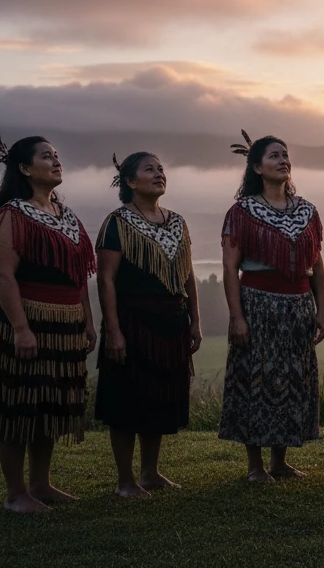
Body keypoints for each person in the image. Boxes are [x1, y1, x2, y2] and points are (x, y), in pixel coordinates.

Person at [0, 131, 96, 514]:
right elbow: (3, 274)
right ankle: (16, 494)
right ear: (25, 168)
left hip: (65, 325)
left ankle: (41, 484)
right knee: (19, 402)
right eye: (46, 156)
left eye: (57, 154)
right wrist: (21, 328)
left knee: (49, 402)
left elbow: (79, 274)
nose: (56, 160)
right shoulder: (12, 214)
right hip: (28, 319)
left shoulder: (66, 216)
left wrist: (87, 320)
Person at [218, 132, 324, 481]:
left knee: (291, 381)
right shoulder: (242, 212)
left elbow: (317, 264)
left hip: (298, 307)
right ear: (256, 167)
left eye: (285, 155)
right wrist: (237, 317)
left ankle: (280, 462)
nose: (283, 160)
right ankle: (255, 466)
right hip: (258, 307)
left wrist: (321, 311)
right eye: (274, 156)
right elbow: (230, 268)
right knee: (256, 380)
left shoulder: (307, 211)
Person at [95, 151, 202, 497]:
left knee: (159, 395)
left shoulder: (178, 222)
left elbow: (187, 274)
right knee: (127, 399)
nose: (159, 174)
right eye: (149, 169)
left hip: (172, 321)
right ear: (130, 181)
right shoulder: (117, 222)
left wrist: (195, 321)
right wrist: (114, 331)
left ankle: (150, 473)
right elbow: (106, 279)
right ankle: (125, 481)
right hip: (132, 322)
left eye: (161, 169)